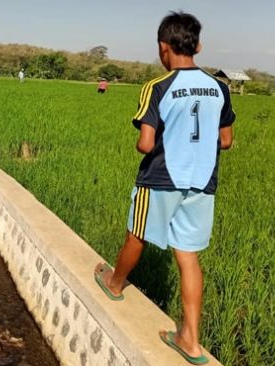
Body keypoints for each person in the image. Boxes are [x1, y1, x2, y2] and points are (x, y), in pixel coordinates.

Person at [93, 11, 235, 365]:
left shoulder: (157, 87)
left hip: (160, 178)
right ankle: (190, 340)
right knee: (188, 256)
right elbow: (227, 140)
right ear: (198, 46)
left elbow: (145, 143)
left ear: (162, 48)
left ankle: (113, 283)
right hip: (202, 183)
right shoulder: (220, 88)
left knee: (136, 234)